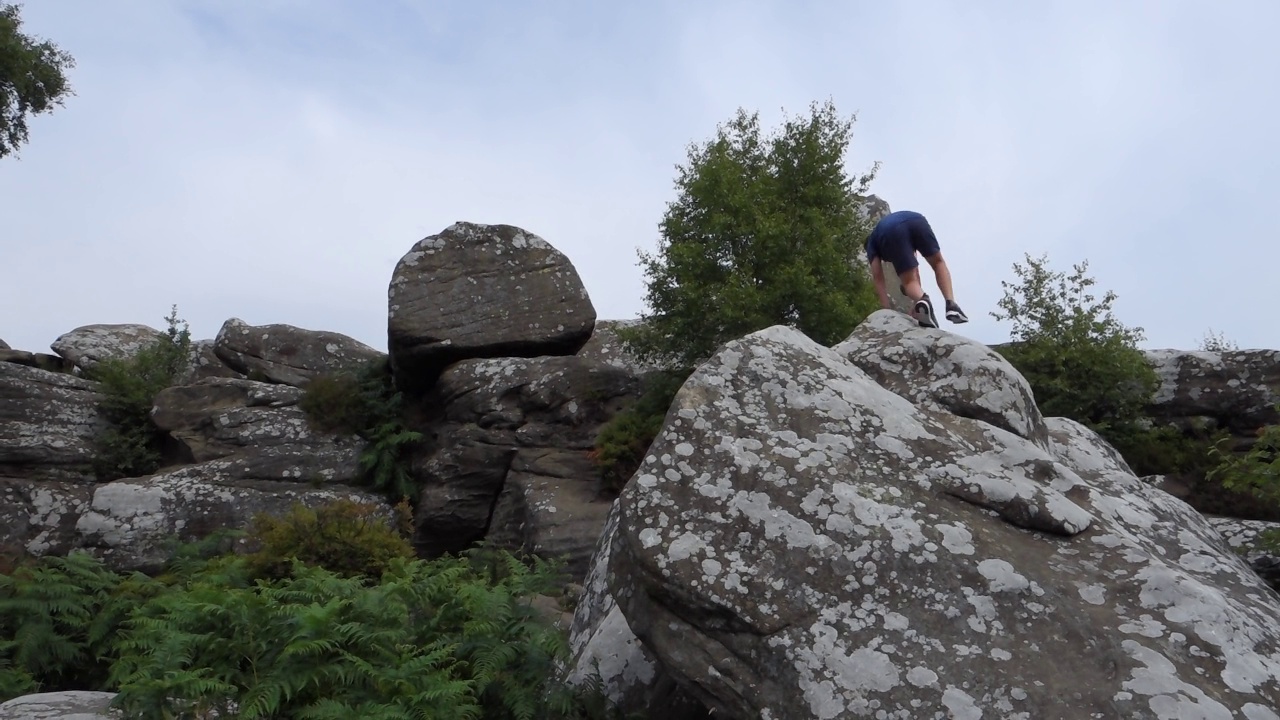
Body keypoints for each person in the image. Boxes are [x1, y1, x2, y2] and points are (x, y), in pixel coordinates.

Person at [864, 210, 968, 328]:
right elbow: (915, 270)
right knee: (938, 262)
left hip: (891, 230)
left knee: (908, 282)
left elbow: (878, 277)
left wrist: (887, 310)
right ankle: (951, 304)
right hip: (917, 220)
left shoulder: (871, 244)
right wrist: (916, 305)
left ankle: (924, 300)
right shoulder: (893, 233)